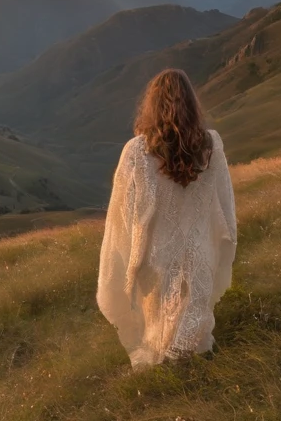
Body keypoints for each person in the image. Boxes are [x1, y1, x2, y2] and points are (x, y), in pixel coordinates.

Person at [97, 68, 237, 368]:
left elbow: (124, 210)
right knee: (192, 313)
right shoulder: (210, 145)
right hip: (200, 250)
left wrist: (131, 255)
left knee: (158, 323)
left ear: (151, 104)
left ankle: (168, 370)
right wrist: (222, 240)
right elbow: (224, 203)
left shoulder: (136, 150)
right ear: (192, 103)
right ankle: (182, 366)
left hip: (157, 254)